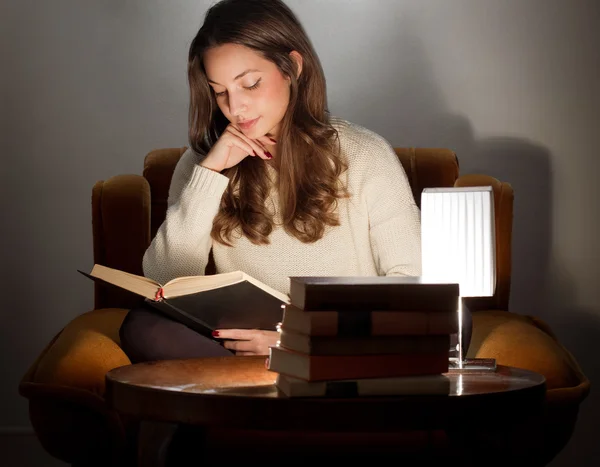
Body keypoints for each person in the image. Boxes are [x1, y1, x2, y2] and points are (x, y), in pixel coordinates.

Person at [119, 0, 469, 364]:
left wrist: (292, 339)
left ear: (293, 68)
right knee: (142, 326)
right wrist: (210, 175)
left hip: (337, 341)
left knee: (456, 322)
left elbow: (414, 283)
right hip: (239, 347)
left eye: (250, 84)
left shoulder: (366, 155)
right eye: (220, 92)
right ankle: (276, 384)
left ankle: (276, 381)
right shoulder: (202, 166)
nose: (235, 108)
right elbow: (165, 283)